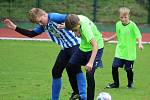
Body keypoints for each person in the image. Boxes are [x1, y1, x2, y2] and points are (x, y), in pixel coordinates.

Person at [4, 8, 87, 100]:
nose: (40, 23)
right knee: (56, 71)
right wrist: (15, 27)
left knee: (74, 68)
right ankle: (55, 98)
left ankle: (83, 96)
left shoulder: (54, 17)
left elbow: (72, 18)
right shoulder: (44, 25)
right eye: (37, 23)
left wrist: (66, 25)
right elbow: (32, 34)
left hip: (76, 45)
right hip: (66, 48)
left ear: (44, 15)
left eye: (40, 21)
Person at [63, 14, 104, 100]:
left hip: (96, 48)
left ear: (79, 23)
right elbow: (74, 25)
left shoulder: (85, 28)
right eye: (73, 31)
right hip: (83, 48)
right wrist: (66, 26)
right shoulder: (75, 19)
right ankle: (76, 93)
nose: (74, 32)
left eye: (75, 30)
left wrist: (90, 62)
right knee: (70, 67)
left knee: (89, 74)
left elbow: (95, 45)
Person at [104, 7, 143, 88]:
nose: (123, 19)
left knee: (128, 69)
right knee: (114, 66)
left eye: (125, 17)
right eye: (121, 17)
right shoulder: (118, 24)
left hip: (129, 52)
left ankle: (130, 83)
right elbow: (117, 34)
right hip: (120, 51)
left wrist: (140, 44)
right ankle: (116, 83)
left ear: (128, 16)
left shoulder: (132, 25)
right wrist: (108, 39)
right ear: (119, 17)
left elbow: (138, 35)